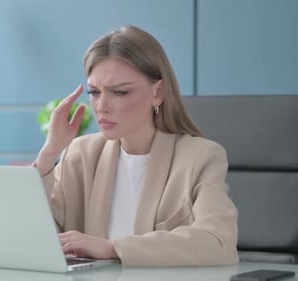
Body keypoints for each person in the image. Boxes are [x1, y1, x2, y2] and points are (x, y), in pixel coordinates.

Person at [33, 25, 239, 267]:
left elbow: (218, 243)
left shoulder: (200, 157)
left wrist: (113, 248)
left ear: (158, 93)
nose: (101, 106)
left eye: (119, 92)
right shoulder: (81, 154)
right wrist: (49, 153)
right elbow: (35, 233)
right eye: (94, 92)